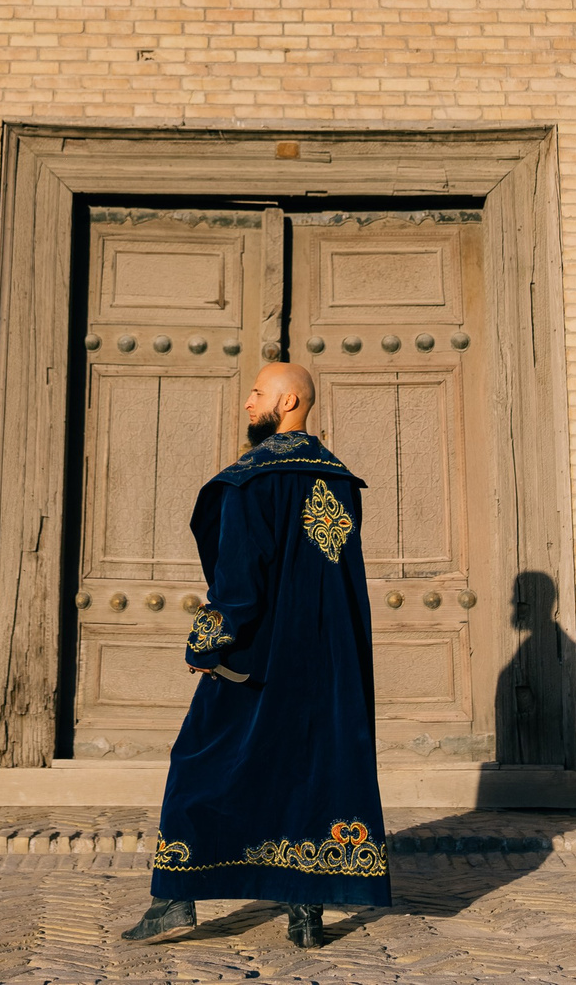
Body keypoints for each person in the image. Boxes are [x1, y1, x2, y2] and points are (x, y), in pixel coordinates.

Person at [122, 361, 390, 950]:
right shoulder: (339, 480)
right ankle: (306, 915)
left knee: (198, 761)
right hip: (328, 661)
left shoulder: (252, 480)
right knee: (311, 769)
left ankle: (174, 902)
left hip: (258, 659)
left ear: (289, 400)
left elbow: (240, 581)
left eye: (257, 392)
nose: (246, 402)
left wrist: (207, 641)